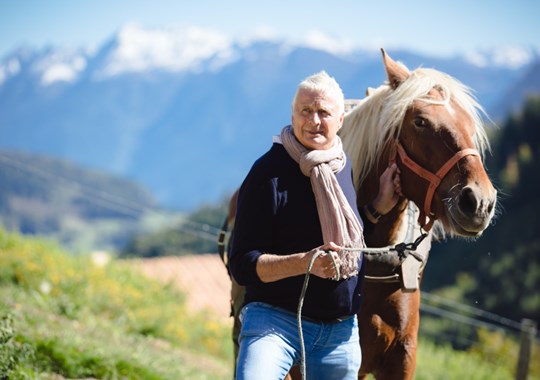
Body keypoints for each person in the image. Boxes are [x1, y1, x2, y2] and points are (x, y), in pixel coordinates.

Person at [228, 71, 401, 380]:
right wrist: (305, 263)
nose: (314, 121)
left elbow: (346, 234)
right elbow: (242, 264)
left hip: (339, 333)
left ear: (341, 120)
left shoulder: (340, 165)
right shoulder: (267, 173)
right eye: (305, 111)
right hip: (274, 324)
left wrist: (376, 210)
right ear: (292, 116)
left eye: (324, 112)